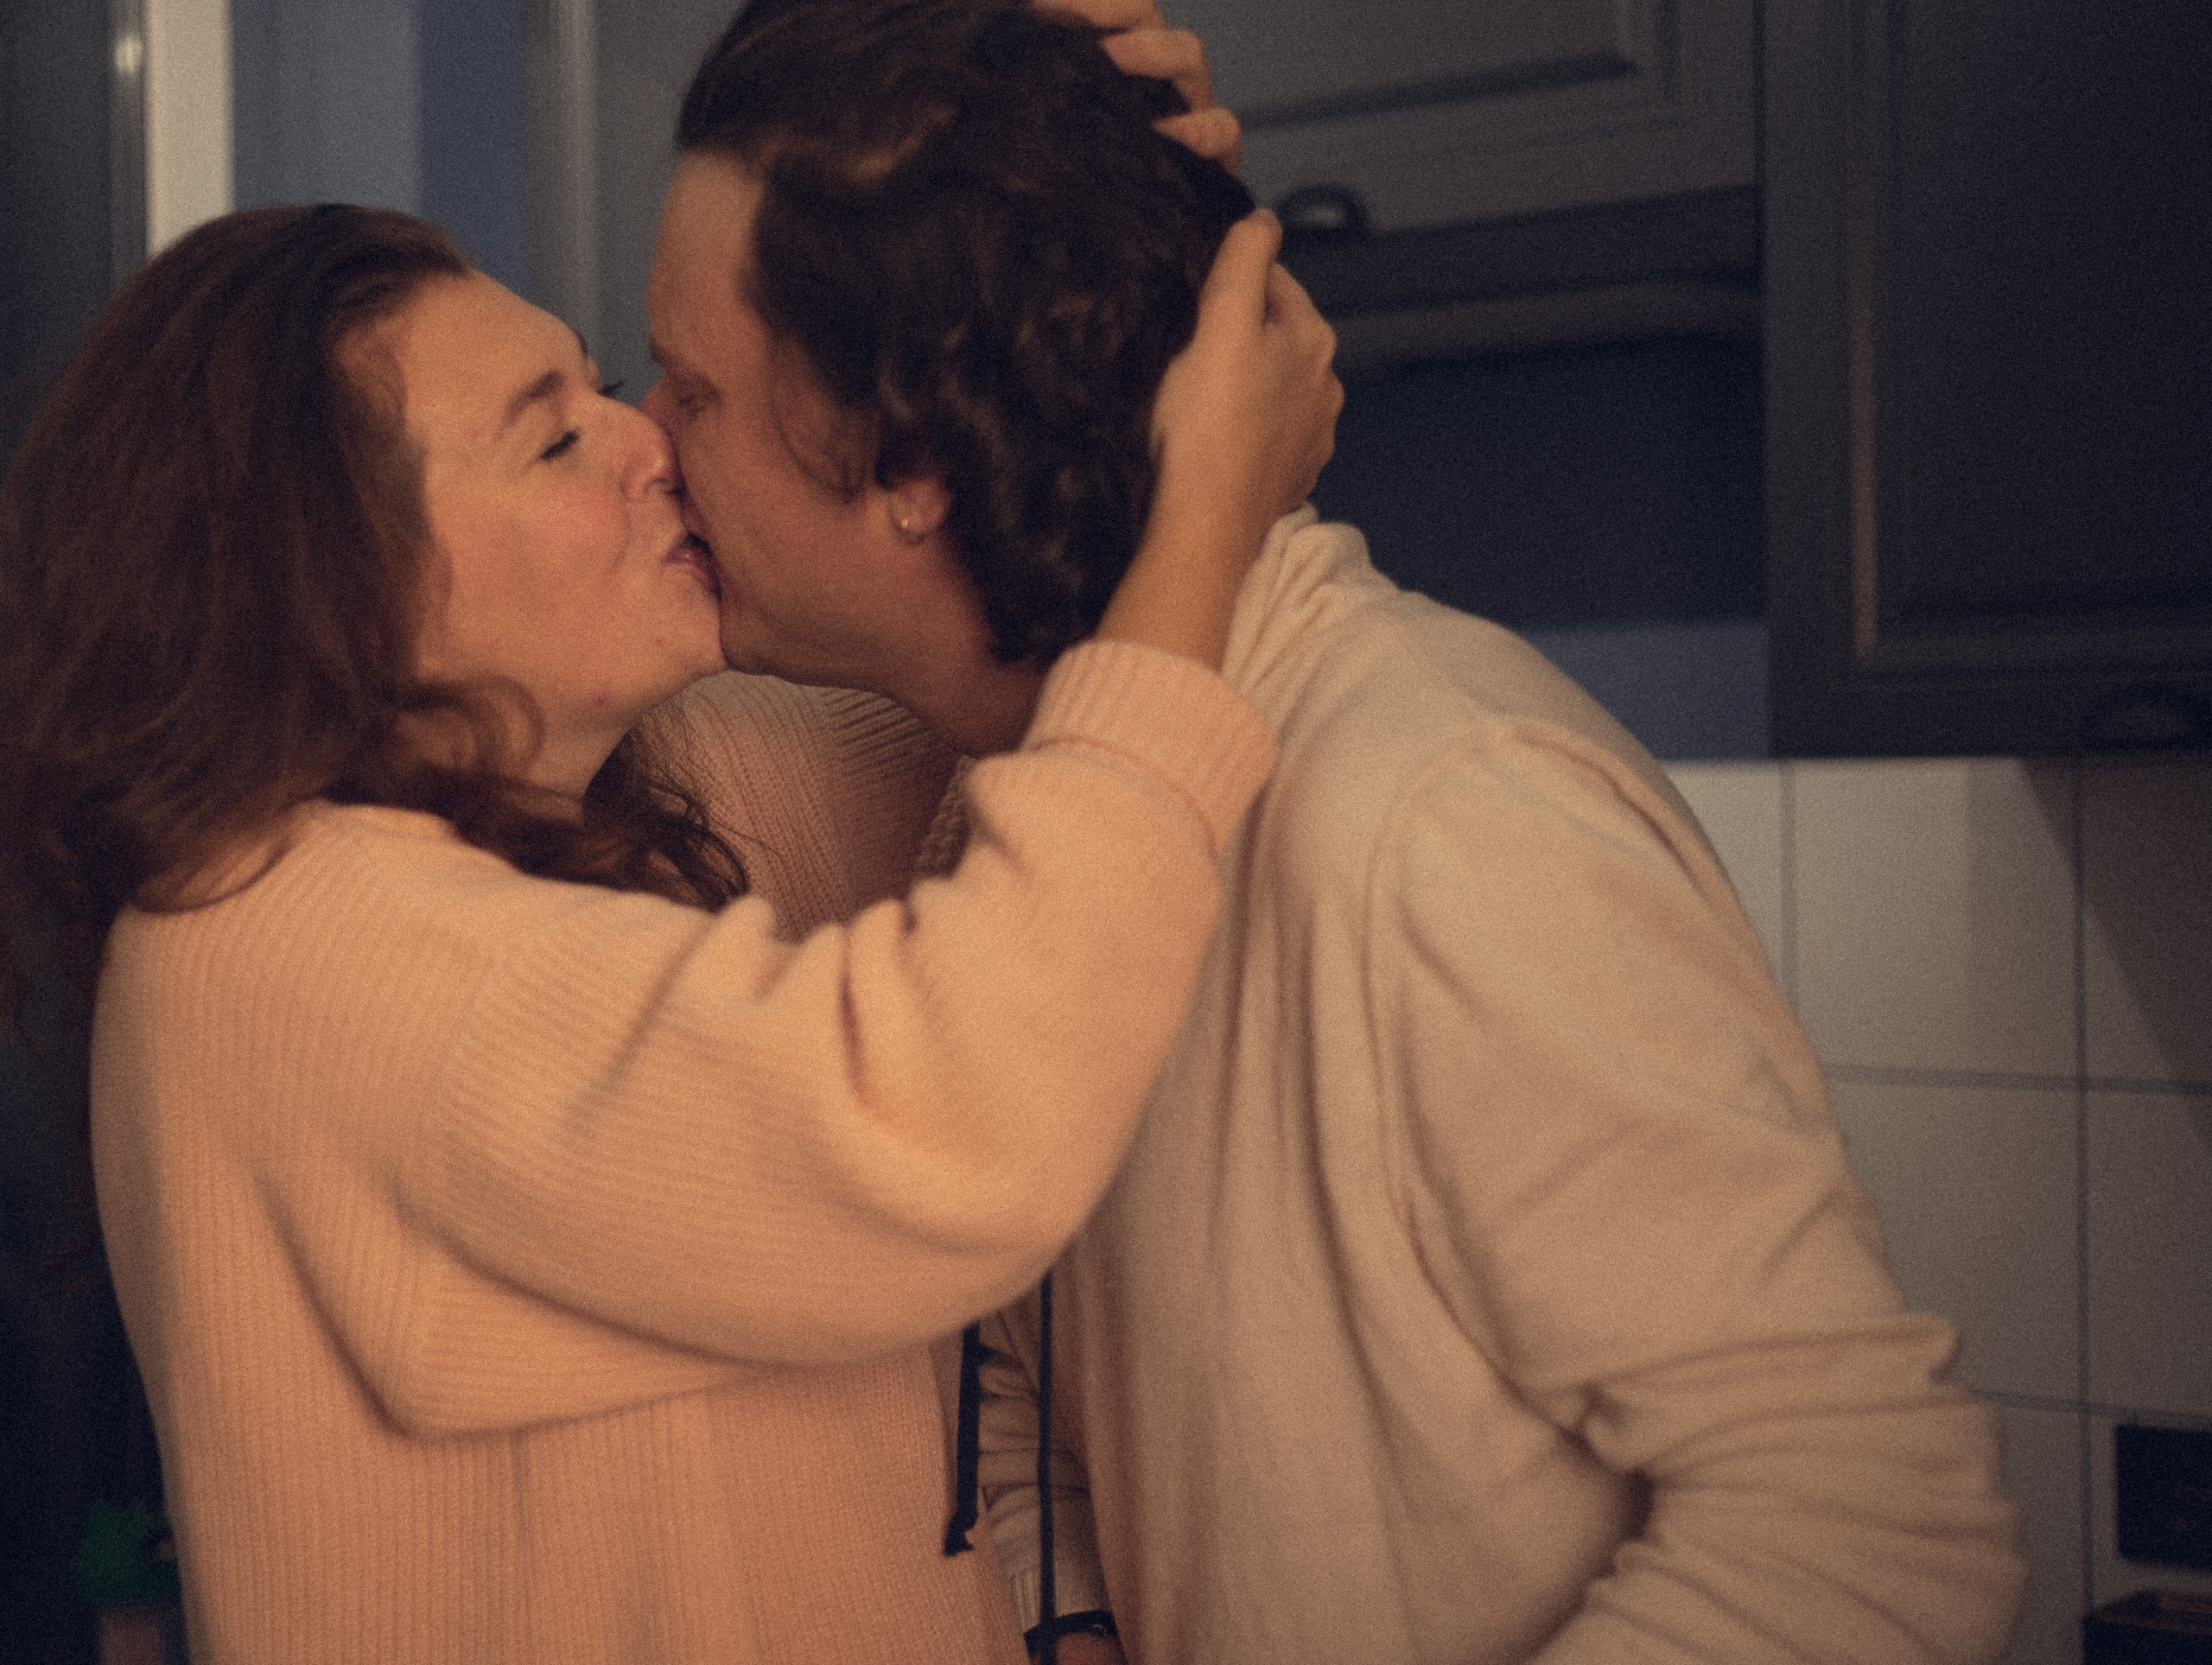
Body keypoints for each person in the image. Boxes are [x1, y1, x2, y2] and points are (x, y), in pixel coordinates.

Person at [645, 3, 2028, 1662]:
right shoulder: (1012, 805)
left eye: (691, 388)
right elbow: (1023, 1397)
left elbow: (1878, 1524)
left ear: (915, 456)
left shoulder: (1444, 814)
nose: (646, 441)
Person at [0, 103, 1337, 1663]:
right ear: (346, 593)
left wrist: (1075, 174)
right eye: (558, 435)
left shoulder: (614, 799)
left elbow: (1023, 734)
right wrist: (1207, 512)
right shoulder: (294, 937)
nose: (654, 440)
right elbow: (953, 1108)